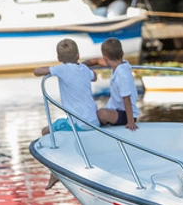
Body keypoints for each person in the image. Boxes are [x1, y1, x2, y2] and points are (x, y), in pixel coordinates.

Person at [34, 38, 99, 189]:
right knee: (62, 127)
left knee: (45, 132)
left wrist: (53, 68)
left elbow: (37, 72)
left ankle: (55, 170)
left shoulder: (61, 69)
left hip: (79, 124)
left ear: (58, 59)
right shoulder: (84, 69)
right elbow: (94, 76)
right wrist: (83, 65)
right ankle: (58, 168)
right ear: (78, 55)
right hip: (93, 121)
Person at [84, 37, 139, 131]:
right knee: (92, 112)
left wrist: (130, 122)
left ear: (105, 58)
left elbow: (126, 98)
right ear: (122, 53)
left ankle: (88, 126)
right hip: (116, 109)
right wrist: (79, 66)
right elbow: (96, 61)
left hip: (126, 114)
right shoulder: (118, 64)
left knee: (101, 114)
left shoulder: (122, 75)